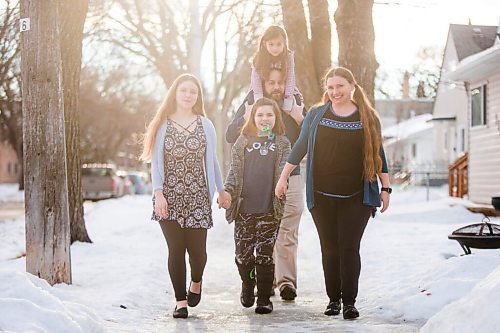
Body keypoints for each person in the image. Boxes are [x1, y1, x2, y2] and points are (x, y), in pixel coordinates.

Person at [275, 67, 391, 320]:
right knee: (329, 248)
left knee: (349, 247)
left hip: (356, 196)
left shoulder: (367, 117)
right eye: (330, 87)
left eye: (340, 86)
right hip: (322, 195)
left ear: (352, 86)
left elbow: (378, 153)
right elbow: (300, 146)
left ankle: (349, 302)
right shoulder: (316, 115)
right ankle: (333, 300)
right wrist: (283, 177)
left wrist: (386, 188)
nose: (335, 92)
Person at [140, 73, 231, 319]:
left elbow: (212, 160)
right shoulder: (163, 124)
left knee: (198, 252)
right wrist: (158, 193)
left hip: (198, 195)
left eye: (193, 91)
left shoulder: (205, 124)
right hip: (169, 197)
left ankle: (197, 282)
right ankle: (180, 302)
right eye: (184, 90)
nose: (188, 95)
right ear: (175, 94)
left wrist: (221, 190)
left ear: (197, 96)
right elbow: (156, 163)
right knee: (176, 250)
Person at [226, 67, 305, 301]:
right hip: (249, 196)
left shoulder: (294, 101)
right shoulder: (252, 103)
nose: (276, 86)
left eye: (281, 82)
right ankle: (259, 284)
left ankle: (285, 284)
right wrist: (246, 113)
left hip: (288, 178)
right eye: (271, 82)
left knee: (283, 235)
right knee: (246, 251)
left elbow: (312, 135)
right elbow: (232, 136)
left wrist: (298, 116)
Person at [222, 97, 291, 314]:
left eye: (269, 114)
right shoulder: (242, 141)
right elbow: (234, 172)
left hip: (269, 209)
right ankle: (247, 283)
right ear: (253, 117)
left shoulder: (281, 143)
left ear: (276, 117)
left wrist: (283, 186)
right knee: (243, 255)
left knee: (264, 254)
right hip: (244, 209)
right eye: (260, 114)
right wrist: (228, 193)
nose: (264, 118)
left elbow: (282, 171)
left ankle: (263, 297)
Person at [250, 25, 302, 112]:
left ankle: (301, 121)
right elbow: (255, 80)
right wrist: (259, 100)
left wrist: (287, 103)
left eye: (279, 44)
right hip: (260, 89)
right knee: (245, 110)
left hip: (284, 90)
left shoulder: (288, 57)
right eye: (271, 44)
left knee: (297, 105)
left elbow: (290, 79)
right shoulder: (259, 57)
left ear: (284, 43)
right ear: (264, 43)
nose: (275, 48)